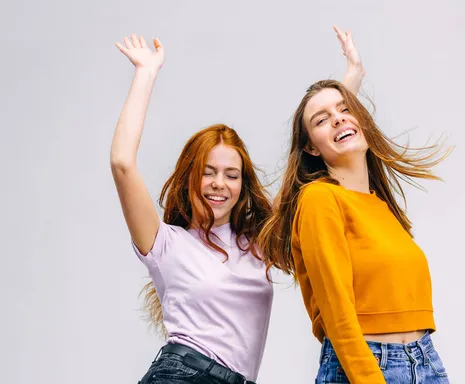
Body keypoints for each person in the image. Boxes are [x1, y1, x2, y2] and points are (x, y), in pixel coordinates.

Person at [111, 28, 365, 384]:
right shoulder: (164, 243)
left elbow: (312, 162)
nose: (219, 184)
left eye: (232, 175)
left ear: (242, 185)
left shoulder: (258, 243)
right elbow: (123, 163)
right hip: (183, 375)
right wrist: (146, 73)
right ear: (190, 177)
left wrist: (350, 81)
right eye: (208, 172)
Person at [258, 30, 451, 383]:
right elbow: (338, 313)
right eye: (321, 119)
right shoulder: (319, 200)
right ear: (311, 148)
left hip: (425, 362)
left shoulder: (380, 207)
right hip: (365, 366)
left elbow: (341, 125)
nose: (338, 118)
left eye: (346, 110)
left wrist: (353, 77)